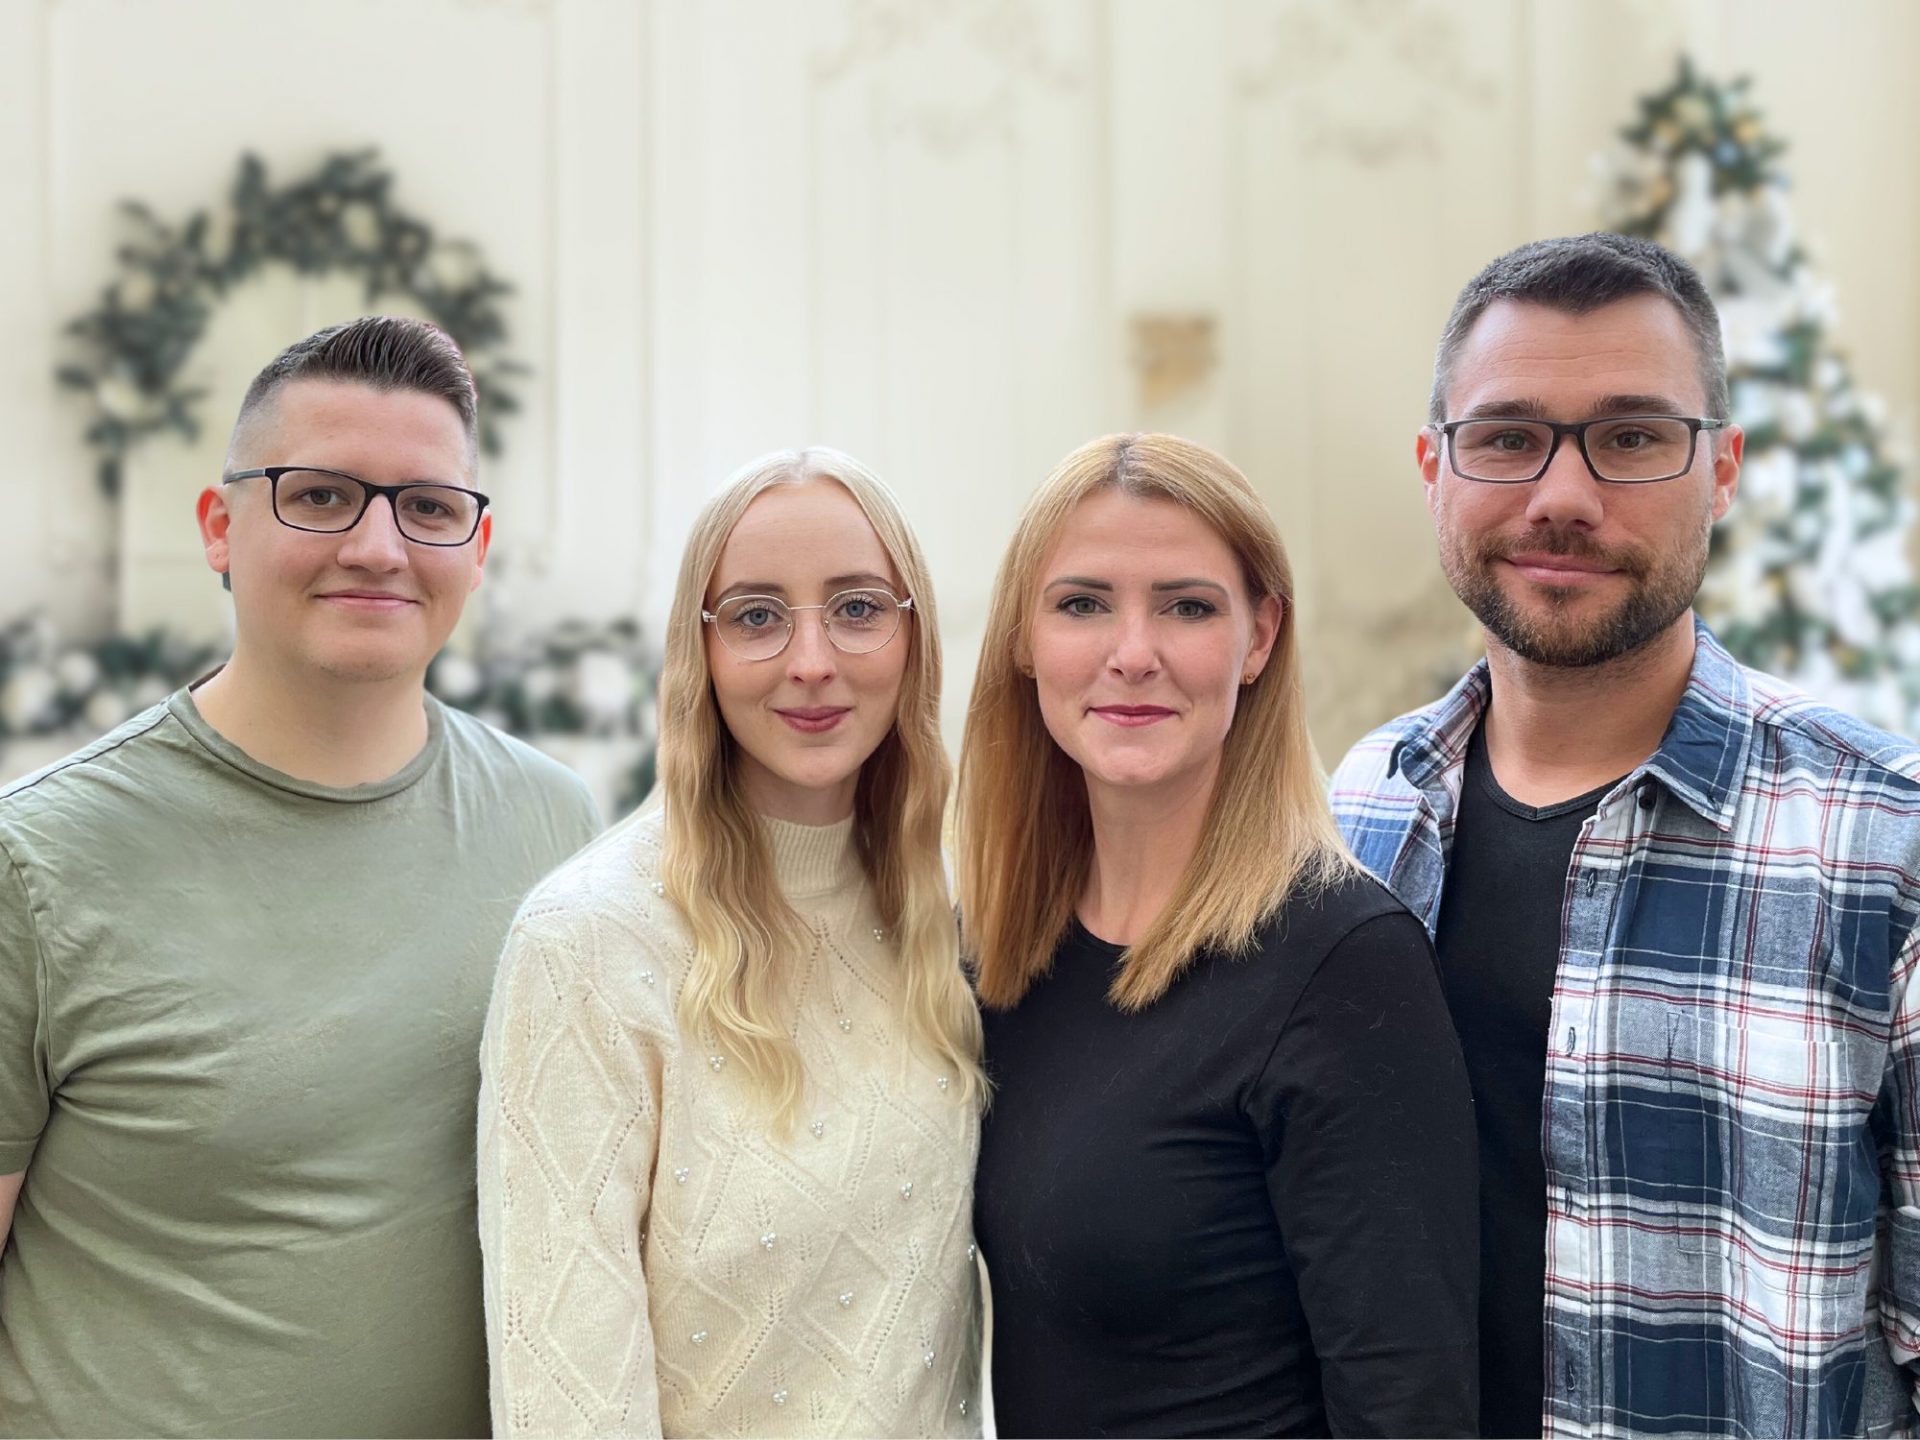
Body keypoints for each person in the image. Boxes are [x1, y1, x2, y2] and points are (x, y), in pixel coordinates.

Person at [1330, 232, 1920, 1438]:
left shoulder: (1885, 840)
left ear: (1724, 471)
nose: (1563, 497)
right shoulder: (1363, 810)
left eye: (1634, 437)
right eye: (1507, 437)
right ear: (1434, 467)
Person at [0, 316, 599, 1436]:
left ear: (475, 546)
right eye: (319, 495)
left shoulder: (556, 827)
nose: (377, 545)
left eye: (426, 506)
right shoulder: (33, 860)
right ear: (220, 528)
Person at [959, 432, 1479, 1437]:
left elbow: (1410, 1405)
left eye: (1187, 606)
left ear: (1259, 637)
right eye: (1083, 603)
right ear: (1025, 639)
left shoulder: (1343, 964)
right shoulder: (995, 957)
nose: (1133, 652)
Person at [478, 448, 984, 1437]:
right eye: (757, 615)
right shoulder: (586, 943)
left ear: (913, 636)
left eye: (858, 607)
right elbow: (568, 1406)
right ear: (696, 649)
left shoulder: (952, 911)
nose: (811, 660)